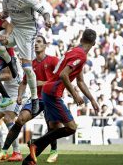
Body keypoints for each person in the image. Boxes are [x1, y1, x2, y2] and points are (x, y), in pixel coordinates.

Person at [23, 29, 100, 165]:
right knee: (71, 128)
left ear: (81, 39)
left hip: (48, 91)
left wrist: (92, 99)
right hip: (53, 93)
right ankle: (35, 143)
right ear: (94, 43)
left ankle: (29, 160)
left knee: (54, 127)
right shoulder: (81, 56)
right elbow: (63, 75)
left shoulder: (73, 51)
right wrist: (75, 95)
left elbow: (80, 81)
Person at [0, 0, 52, 116]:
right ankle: (10, 61)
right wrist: (1, 15)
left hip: (27, 33)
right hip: (14, 29)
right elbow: (6, 13)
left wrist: (47, 20)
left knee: (27, 69)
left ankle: (35, 98)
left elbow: (44, 11)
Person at [0, 35, 59, 163]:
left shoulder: (53, 60)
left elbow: (59, 80)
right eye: (35, 42)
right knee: (19, 120)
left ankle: (53, 150)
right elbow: (24, 83)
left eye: (39, 42)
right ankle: (4, 150)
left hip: (51, 98)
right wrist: (19, 95)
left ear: (45, 46)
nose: (36, 44)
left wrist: (39, 83)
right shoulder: (31, 64)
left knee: (52, 126)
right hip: (36, 98)